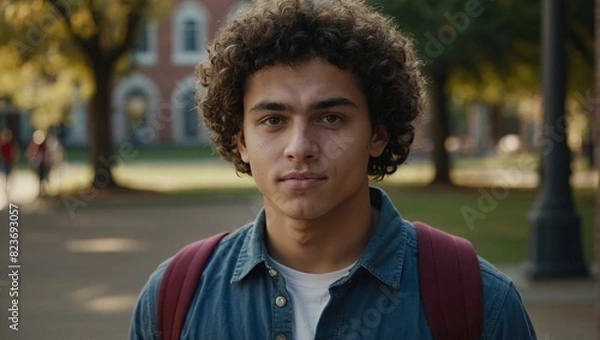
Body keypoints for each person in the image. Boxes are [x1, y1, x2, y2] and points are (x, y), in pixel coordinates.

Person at [130, 1, 536, 339]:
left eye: (330, 119)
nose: (299, 148)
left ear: (377, 134)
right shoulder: (173, 298)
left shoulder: (477, 301)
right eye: (273, 120)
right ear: (241, 141)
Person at [26, 130, 51, 196]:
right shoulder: (35, 145)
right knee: (40, 177)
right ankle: (41, 190)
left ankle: (44, 190)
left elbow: (47, 154)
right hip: (38, 163)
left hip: (43, 163)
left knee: (44, 176)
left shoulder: (44, 146)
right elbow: (30, 153)